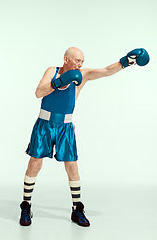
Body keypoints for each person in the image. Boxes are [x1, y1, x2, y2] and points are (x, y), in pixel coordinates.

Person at [19, 47, 149, 227]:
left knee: (72, 167)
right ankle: (26, 205)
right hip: (44, 124)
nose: (80, 64)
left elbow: (105, 71)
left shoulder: (83, 75)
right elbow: (38, 93)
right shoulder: (52, 71)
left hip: (66, 127)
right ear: (66, 59)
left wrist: (127, 61)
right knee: (35, 163)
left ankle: (77, 208)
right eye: (77, 60)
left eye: (82, 61)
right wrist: (58, 82)